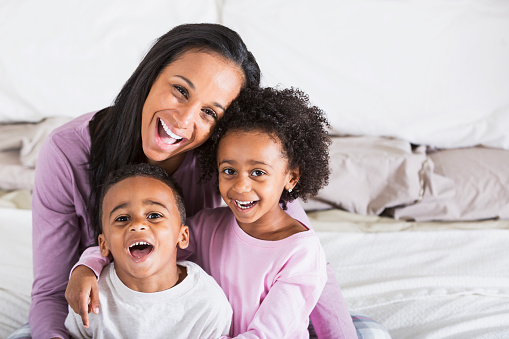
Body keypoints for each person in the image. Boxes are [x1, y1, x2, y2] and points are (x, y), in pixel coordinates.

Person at [11, 22, 387, 339]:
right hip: (108, 318)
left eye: (210, 112)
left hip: (201, 323)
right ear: (150, 74)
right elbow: (49, 292)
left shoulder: (229, 162)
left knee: (365, 332)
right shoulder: (66, 153)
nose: (184, 120)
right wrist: (88, 267)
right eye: (180, 90)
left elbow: (299, 246)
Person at [178, 86, 352, 338]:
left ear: (291, 177)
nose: (240, 186)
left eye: (258, 172)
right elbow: (152, 251)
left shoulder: (300, 254)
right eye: (229, 171)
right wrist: (98, 262)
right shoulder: (204, 226)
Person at [64, 163, 232, 339]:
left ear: (182, 236)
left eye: (154, 215)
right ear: (103, 244)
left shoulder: (207, 302)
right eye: (122, 218)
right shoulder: (89, 296)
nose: (137, 225)